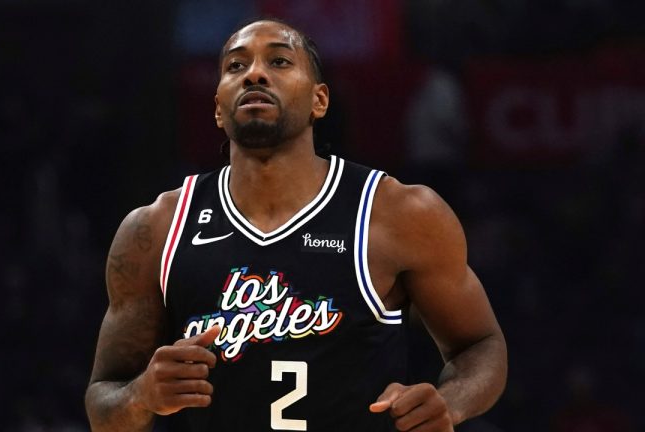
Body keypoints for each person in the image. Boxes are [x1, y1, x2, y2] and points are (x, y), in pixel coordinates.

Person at [85, 18, 507, 432]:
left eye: (280, 62)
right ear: (217, 107)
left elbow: (481, 346)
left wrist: (448, 405)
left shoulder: (399, 214)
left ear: (319, 101)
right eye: (236, 66)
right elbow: (103, 405)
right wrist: (141, 394)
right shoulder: (156, 229)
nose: (254, 74)